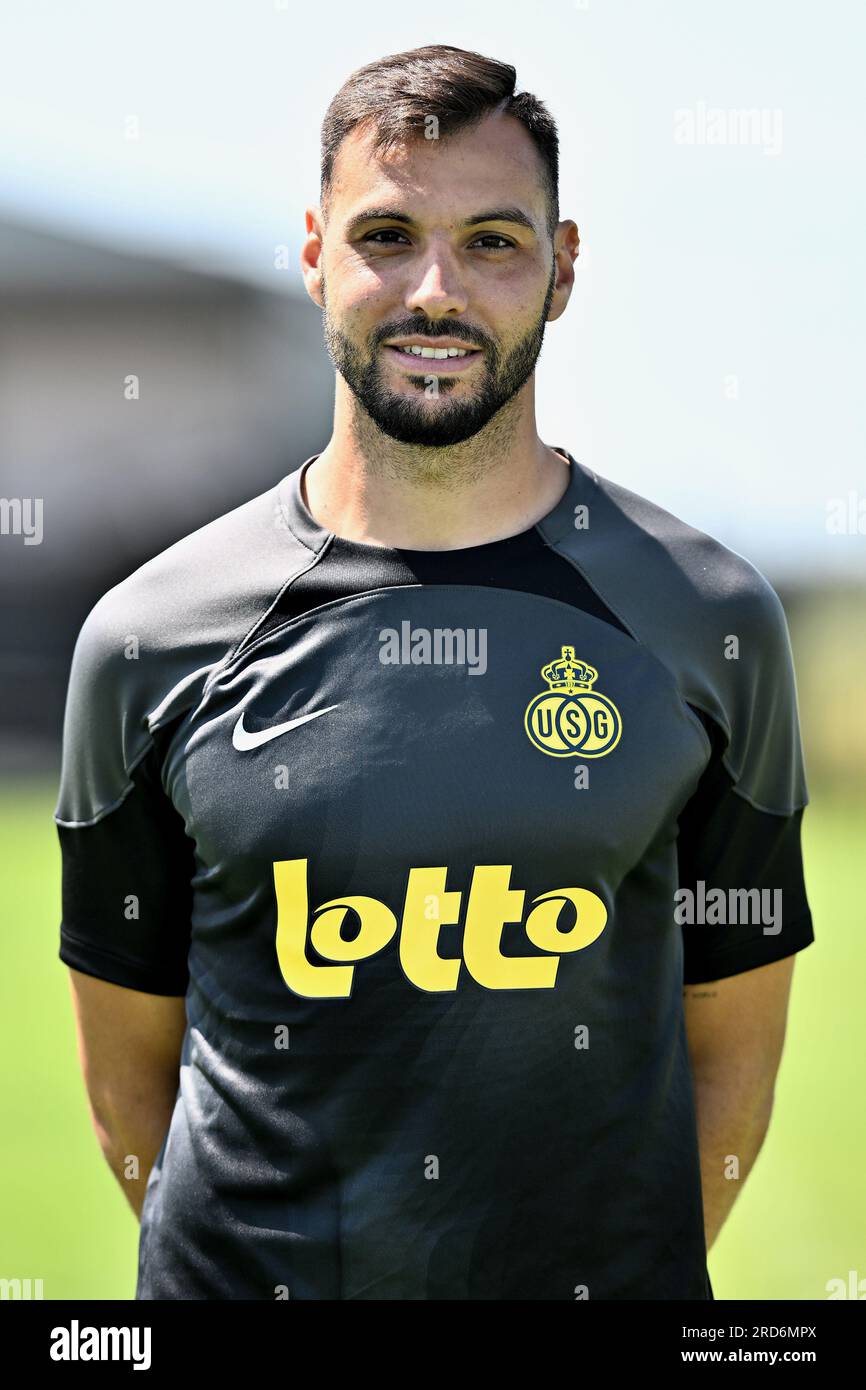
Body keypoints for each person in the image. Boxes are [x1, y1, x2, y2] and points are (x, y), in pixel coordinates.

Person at [56, 44, 813, 1300]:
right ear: (314, 256)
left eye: (495, 242)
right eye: (387, 235)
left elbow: (733, 1051)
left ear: (562, 270)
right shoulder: (148, 636)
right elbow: (126, 1066)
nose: (435, 290)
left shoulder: (707, 620)